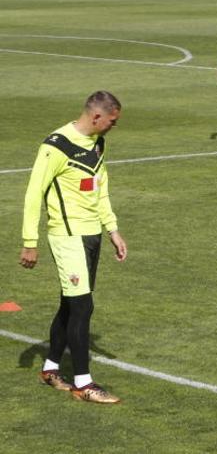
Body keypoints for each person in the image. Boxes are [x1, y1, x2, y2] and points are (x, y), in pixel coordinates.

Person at [20, 91, 128, 404]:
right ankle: (84, 384)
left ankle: (51, 367)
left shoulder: (98, 143)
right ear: (96, 117)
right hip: (67, 236)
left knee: (71, 304)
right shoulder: (55, 145)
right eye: (112, 121)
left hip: (91, 235)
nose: (113, 127)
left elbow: (100, 188)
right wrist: (30, 242)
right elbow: (32, 193)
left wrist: (112, 230)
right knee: (83, 306)